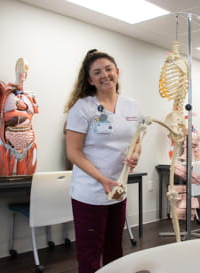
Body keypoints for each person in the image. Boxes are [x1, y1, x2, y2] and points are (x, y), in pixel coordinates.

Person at [64, 49, 140, 273]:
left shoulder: (131, 105)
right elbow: (73, 152)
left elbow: (136, 140)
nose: (104, 75)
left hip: (118, 190)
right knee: (89, 254)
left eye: (108, 69)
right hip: (90, 192)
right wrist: (102, 179)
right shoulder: (83, 108)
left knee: (115, 251)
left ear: (117, 72)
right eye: (97, 72)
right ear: (90, 79)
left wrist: (135, 154)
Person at [0, 58, 39, 177]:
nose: (22, 75)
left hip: (28, 140)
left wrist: (25, 105)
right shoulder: (5, 92)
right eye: (20, 71)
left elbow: (34, 112)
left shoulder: (29, 96)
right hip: (8, 139)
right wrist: (0, 83)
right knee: (2, 175)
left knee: (28, 179)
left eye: (25, 72)